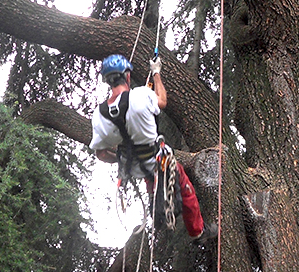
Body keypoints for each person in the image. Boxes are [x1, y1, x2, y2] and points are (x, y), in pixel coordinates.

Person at [89, 54, 216, 243]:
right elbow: (162, 101)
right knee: (186, 189)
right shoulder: (141, 95)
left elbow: (100, 153)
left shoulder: (100, 115)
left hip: (135, 167)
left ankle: (154, 198)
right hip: (158, 160)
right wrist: (156, 73)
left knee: (151, 174)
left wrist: (123, 157)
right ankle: (198, 232)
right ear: (128, 76)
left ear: (107, 81)